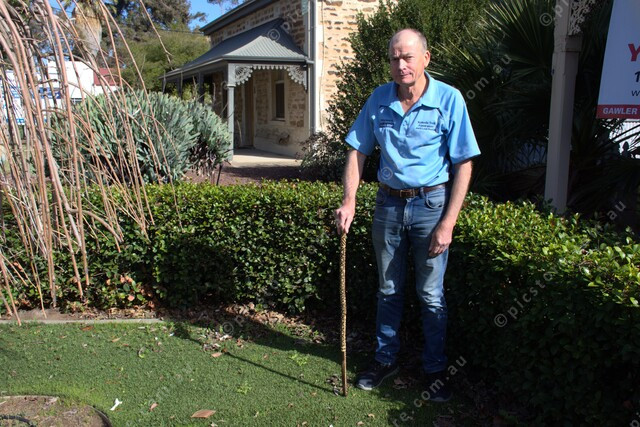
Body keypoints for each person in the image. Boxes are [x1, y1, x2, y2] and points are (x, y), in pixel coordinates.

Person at [334, 28, 480, 402]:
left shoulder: (449, 99)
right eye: (395, 58)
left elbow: (463, 163)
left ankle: (435, 370)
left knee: (430, 294)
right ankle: (385, 359)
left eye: (408, 57)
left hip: (431, 206)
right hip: (388, 204)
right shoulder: (379, 99)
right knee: (388, 289)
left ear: (425, 59)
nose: (401, 65)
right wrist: (350, 200)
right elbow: (357, 151)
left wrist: (448, 222)